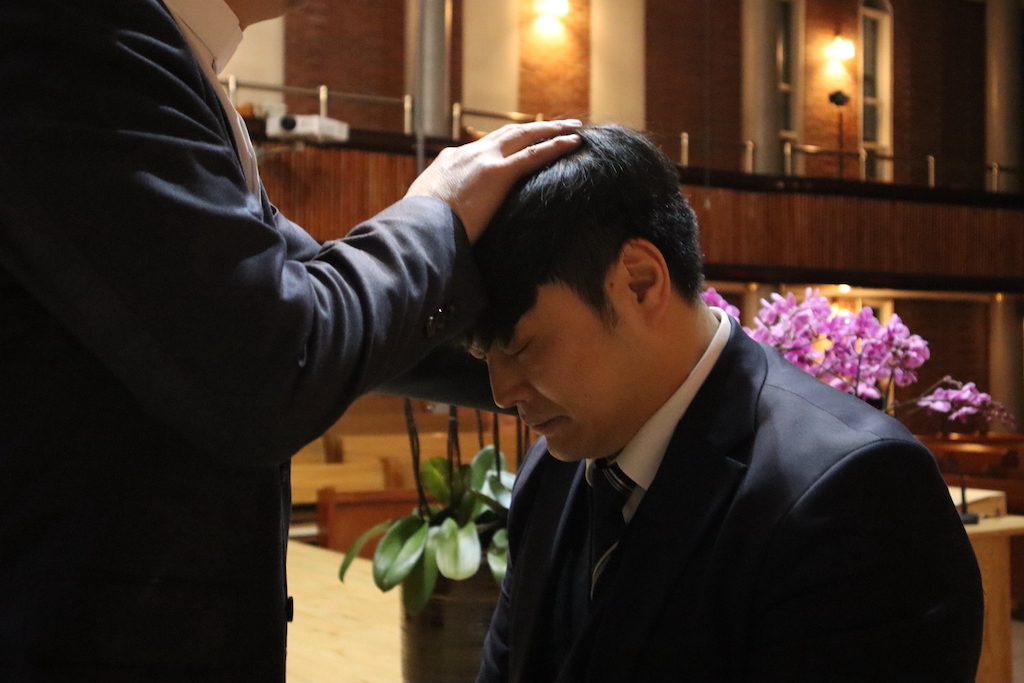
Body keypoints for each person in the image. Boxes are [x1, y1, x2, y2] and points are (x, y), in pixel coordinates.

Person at [0, 0, 579, 680]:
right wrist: (438, 212)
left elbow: (308, 296)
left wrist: (577, 358)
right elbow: (269, 360)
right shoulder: (69, 27)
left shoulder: (162, 51)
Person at [467, 125, 985, 683]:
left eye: (521, 347)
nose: (502, 392)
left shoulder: (857, 491)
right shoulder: (553, 471)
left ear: (639, 282)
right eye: (483, 356)